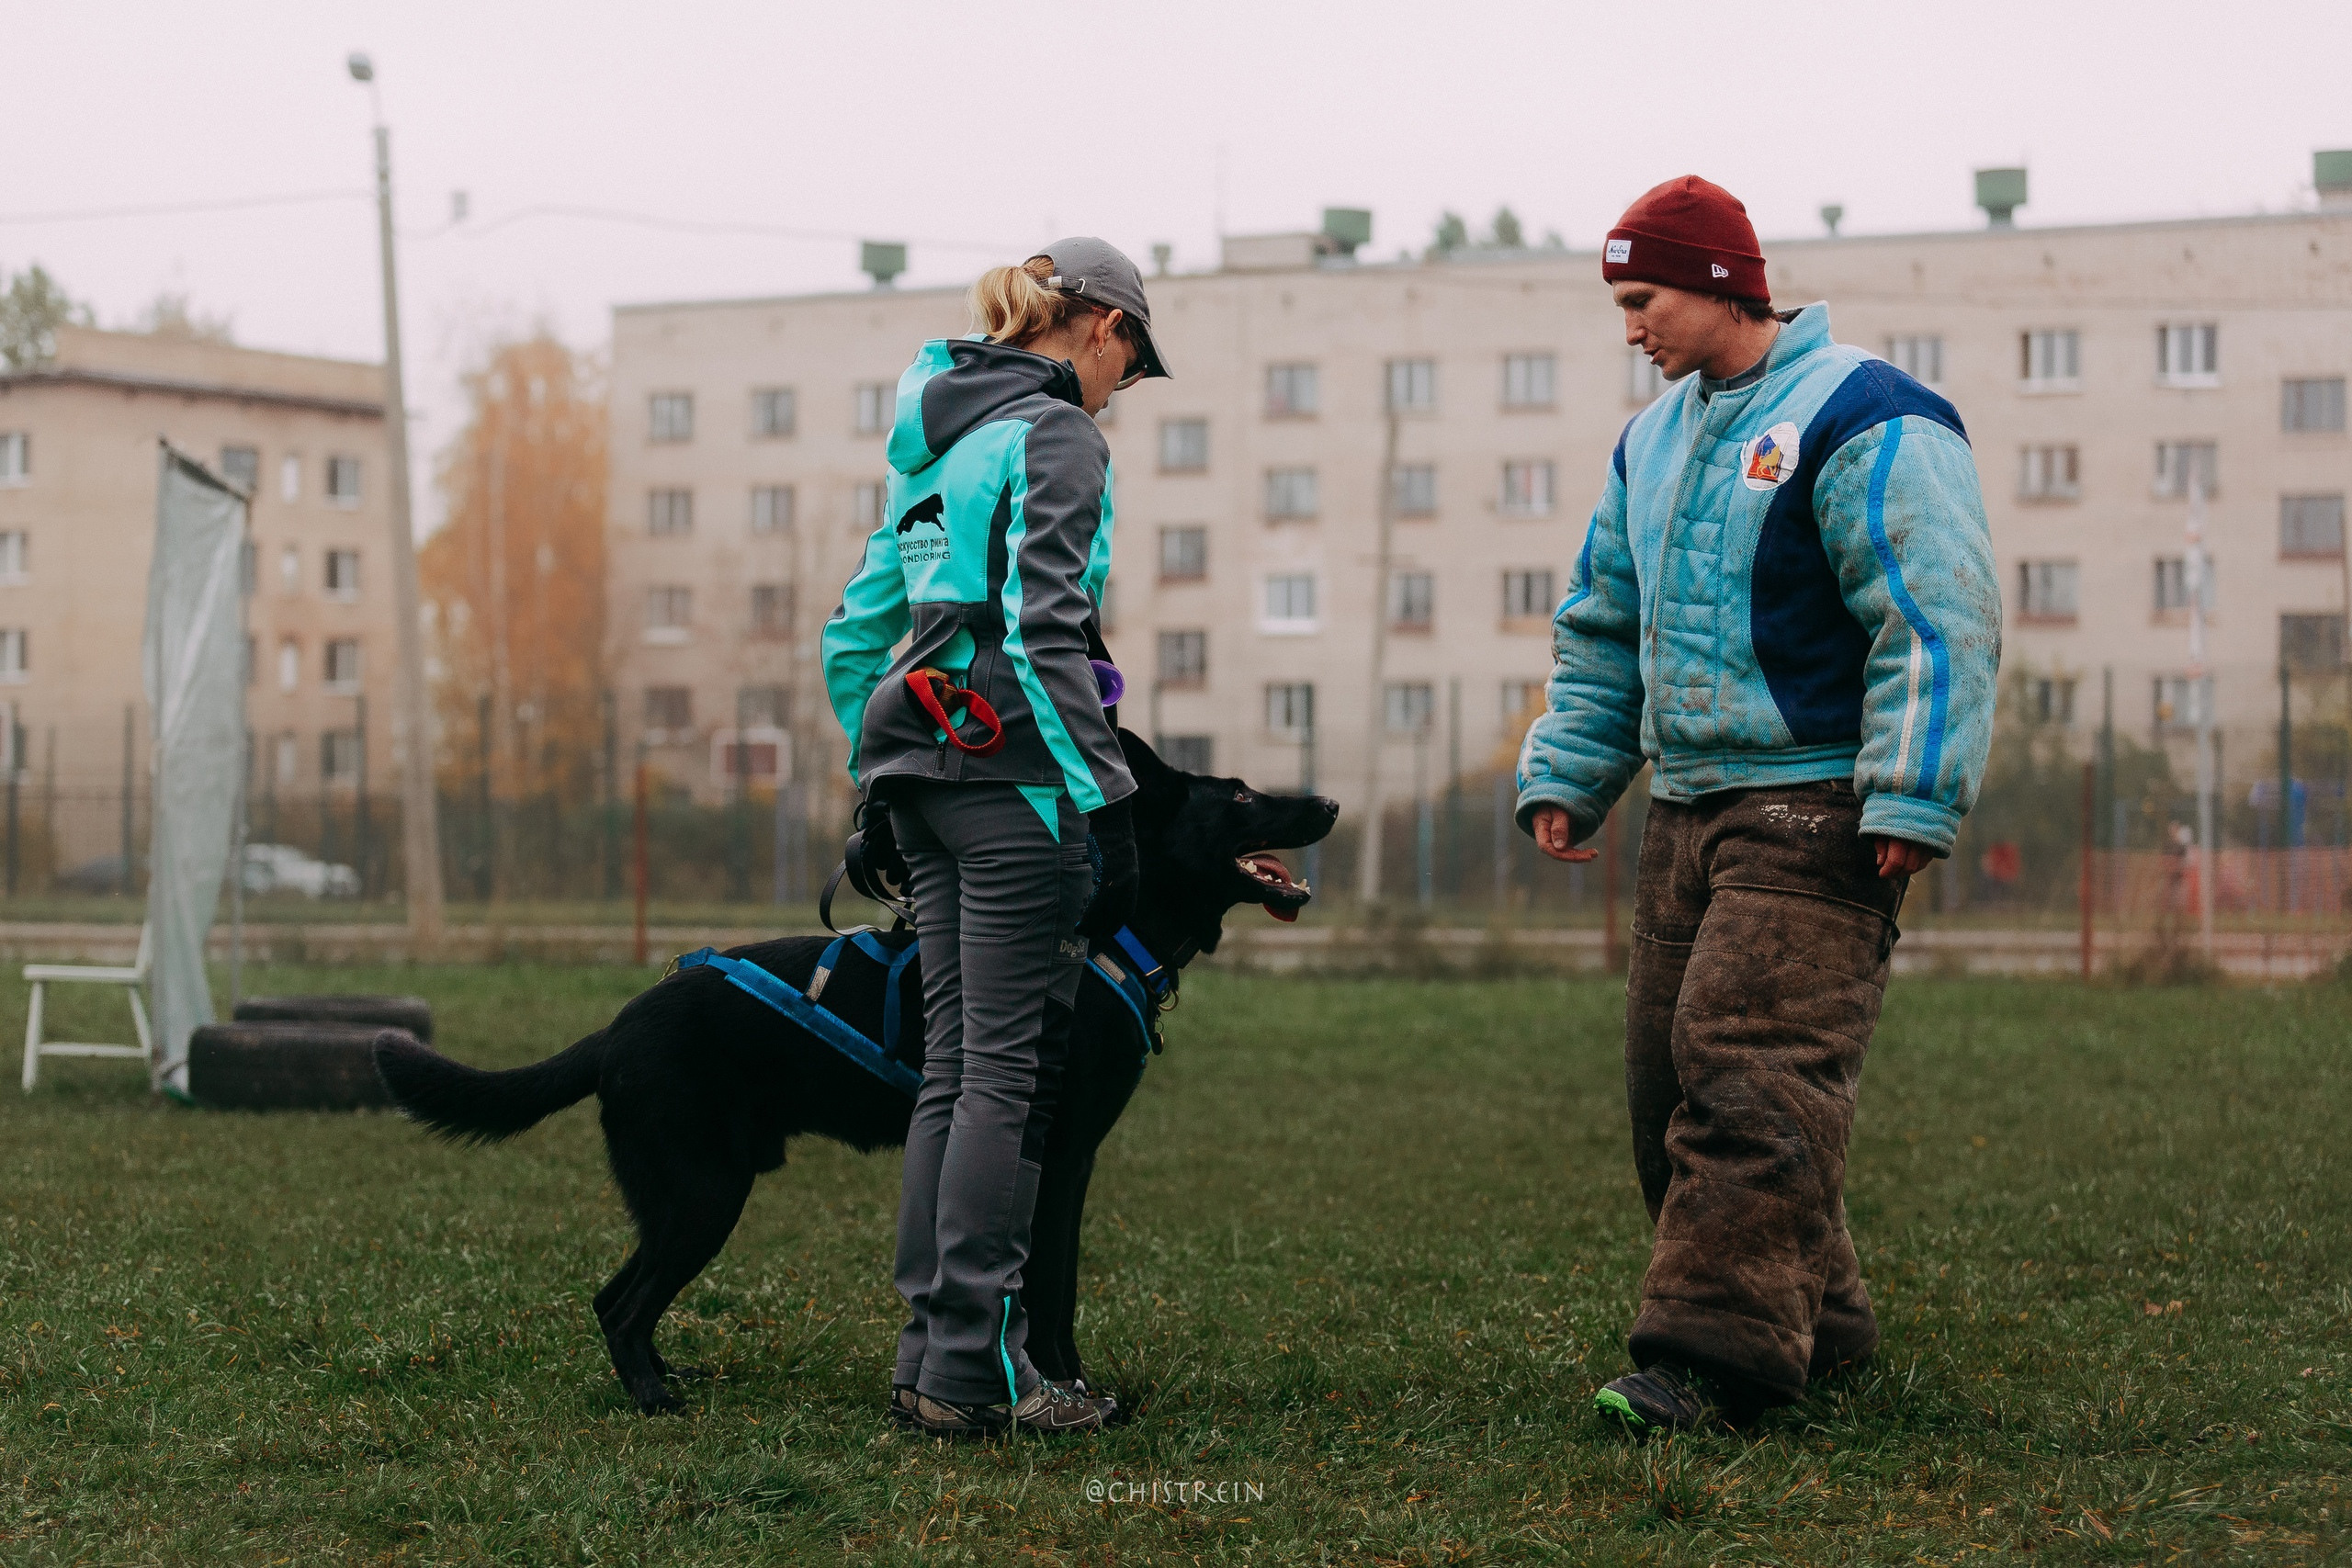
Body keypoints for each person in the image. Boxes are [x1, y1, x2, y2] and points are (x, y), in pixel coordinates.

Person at [1515, 176, 1999, 1433]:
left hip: (1819, 809)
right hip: (1686, 808)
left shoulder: (1871, 414)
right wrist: (1570, 769)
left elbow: (1934, 615)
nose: (1632, 327)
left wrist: (1912, 788)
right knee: (1667, 1085)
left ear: (1725, 286)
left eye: (1645, 298)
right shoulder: (1655, 439)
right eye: (1621, 302)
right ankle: (1820, 1329)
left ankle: (1716, 1364)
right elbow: (1602, 624)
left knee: (1750, 1074)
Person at [820, 238, 1170, 1438]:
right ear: (1103, 330)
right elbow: (1044, 627)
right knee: (1006, 1081)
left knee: (958, 1076)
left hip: (922, 775)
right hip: (1017, 779)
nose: (1123, 387)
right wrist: (1109, 802)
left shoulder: (937, 436)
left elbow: (857, 629)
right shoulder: (1059, 432)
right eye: (1132, 362)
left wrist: (874, 779)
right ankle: (980, 1371)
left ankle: (938, 1359)